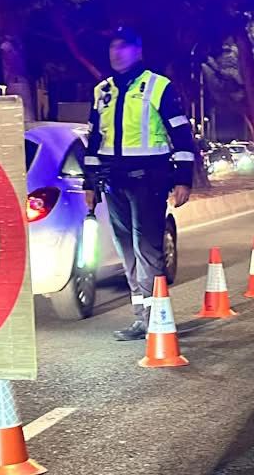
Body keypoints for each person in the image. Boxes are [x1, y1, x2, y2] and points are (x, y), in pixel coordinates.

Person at [84, 27, 195, 341]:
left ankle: (158, 318)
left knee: (147, 250)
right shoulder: (102, 91)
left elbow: (181, 134)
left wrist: (183, 178)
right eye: (112, 46)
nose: (116, 52)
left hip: (149, 179)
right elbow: (93, 140)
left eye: (124, 46)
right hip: (113, 181)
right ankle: (142, 318)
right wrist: (89, 184)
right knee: (127, 252)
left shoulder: (158, 86)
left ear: (138, 50)